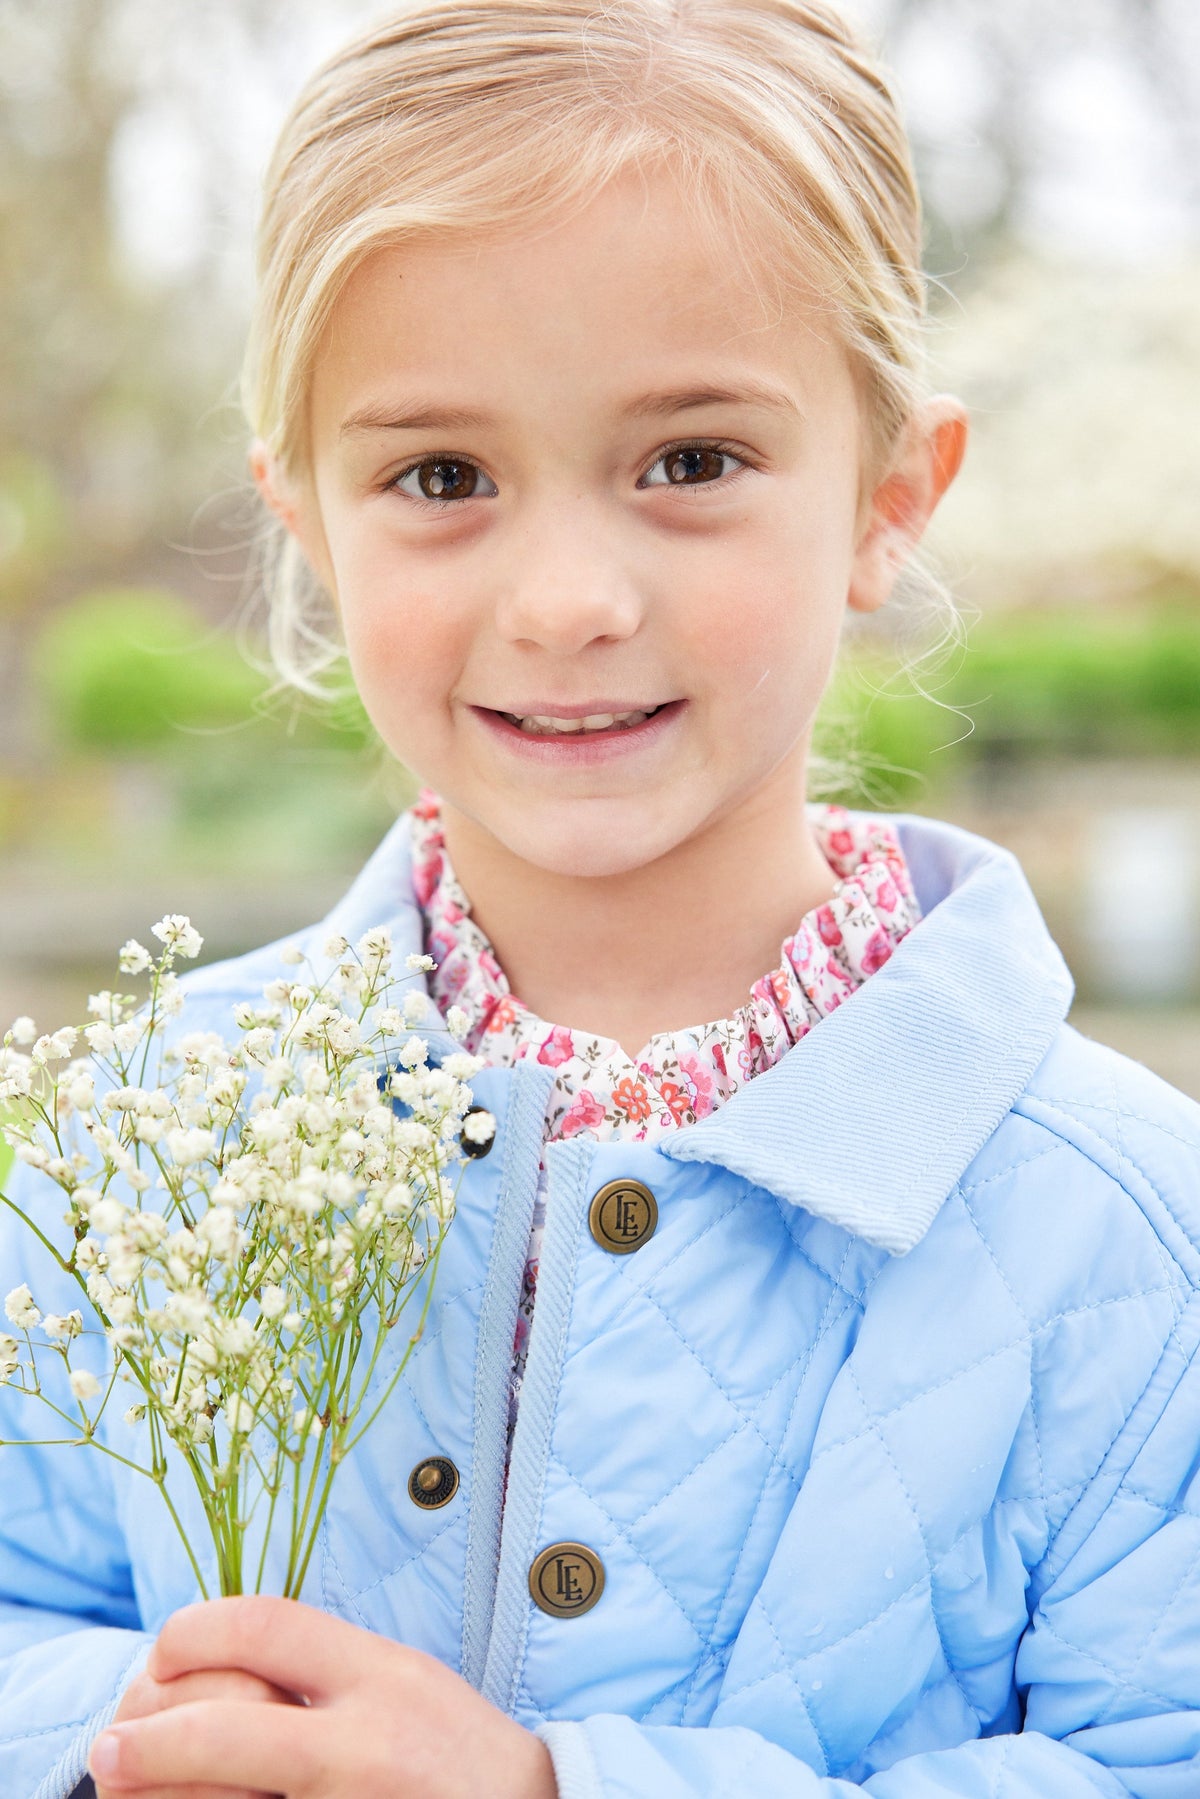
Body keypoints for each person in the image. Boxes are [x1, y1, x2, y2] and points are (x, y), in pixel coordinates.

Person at [3, 0, 1200, 1793]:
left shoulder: (1125, 1233)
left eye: (691, 463)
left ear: (891, 495)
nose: (568, 598)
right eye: (441, 478)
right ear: (309, 521)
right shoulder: (128, 1142)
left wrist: (556, 1787)